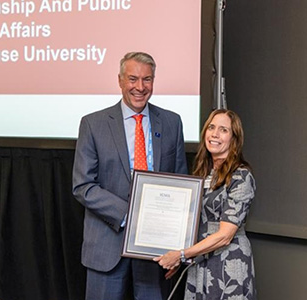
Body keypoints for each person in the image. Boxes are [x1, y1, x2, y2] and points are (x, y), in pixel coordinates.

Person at [72, 51, 188, 300]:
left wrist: (178, 249)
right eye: (133, 79)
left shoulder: (171, 122)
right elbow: (83, 185)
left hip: (155, 251)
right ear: (120, 81)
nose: (140, 87)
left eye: (147, 80)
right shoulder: (93, 124)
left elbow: (180, 187)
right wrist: (132, 215)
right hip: (106, 246)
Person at [154, 109, 257, 299]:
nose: (215, 134)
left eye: (223, 130)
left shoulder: (241, 176)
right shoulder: (202, 174)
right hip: (200, 261)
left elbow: (225, 236)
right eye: (211, 127)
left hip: (228, 262)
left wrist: (182, 254)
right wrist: (183, 256)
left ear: (234, 139)